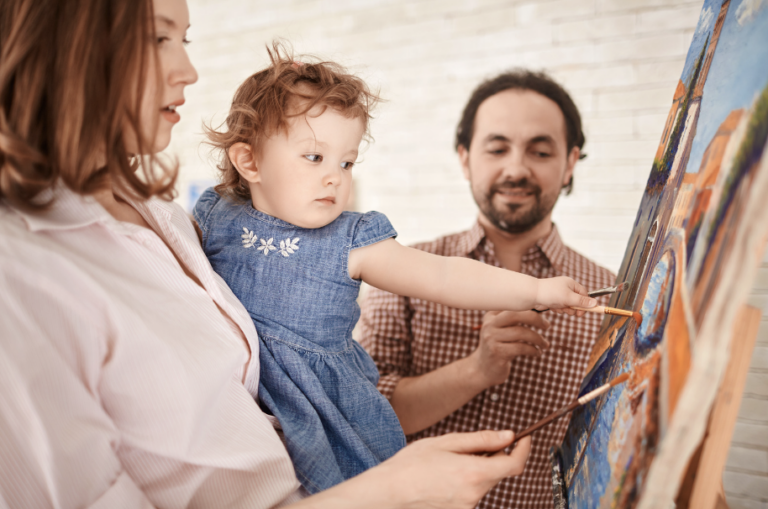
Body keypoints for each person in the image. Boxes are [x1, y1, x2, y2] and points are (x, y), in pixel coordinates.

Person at [0, 0, 534, 506]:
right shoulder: (22, 278)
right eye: (157, 37)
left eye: (183, 39)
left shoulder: (168, 217)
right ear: (63, 44)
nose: (188, 70)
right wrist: (388, 493)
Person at [193, 48, 598, 495]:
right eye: (314, 157)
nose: (335, 177)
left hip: (325, 417)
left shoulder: (353, 241)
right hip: (233, 411)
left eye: (346, 162)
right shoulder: (214, 218)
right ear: (249, 162)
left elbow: (444, 276)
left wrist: (537, 289)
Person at [360, 71, 617, 509]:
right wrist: (478, 369)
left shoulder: (605, 300)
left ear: (571, 161)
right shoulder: (402, 272)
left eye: (540, 150)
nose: (516, 169)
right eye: (497, 148)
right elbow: (364, 417)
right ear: (464, 157)